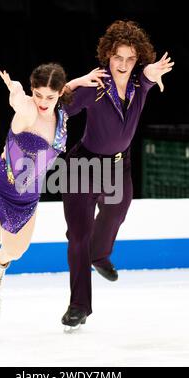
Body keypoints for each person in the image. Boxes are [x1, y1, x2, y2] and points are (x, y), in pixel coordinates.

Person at [0, 62, 107, 339]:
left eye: (49, 96)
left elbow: (67, 87)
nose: (43, 102)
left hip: (27, 198)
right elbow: (19, 98)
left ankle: (2, 264)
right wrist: (15, 89)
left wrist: (84, 78)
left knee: (15, 251)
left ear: (58, 95)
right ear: (33, 90)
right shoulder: (28, 109)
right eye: (38, 94)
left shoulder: (62, 114)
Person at [60, 20, 174, 329]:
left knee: (117, 211)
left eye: (130, 58)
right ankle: (79, 305)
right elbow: (58, 105)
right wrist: (77, 82)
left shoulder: (140, 83)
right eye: (117, 57)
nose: (123, 65)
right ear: (108, 56)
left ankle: (101, 254)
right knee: (79, 236)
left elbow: (148, 77)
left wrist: (150, 72)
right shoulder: (95, 87)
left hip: (117, 166)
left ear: (138, 60)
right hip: (83, 166)